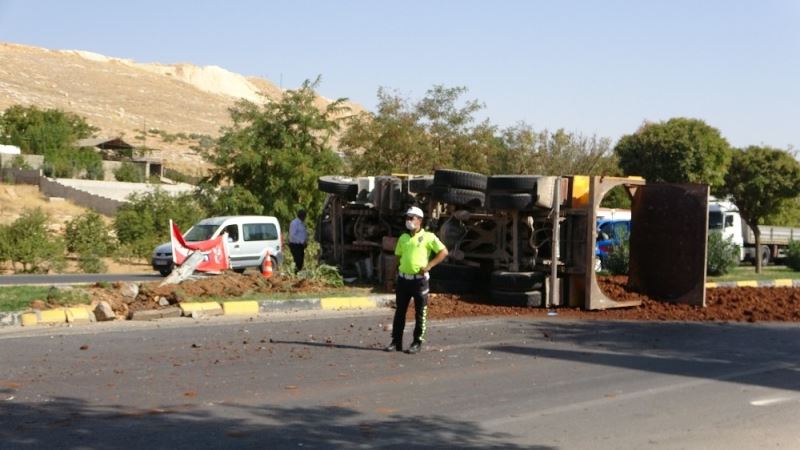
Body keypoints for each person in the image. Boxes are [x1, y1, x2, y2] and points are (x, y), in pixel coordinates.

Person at [385, 206, 448, 354]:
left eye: (411, 218)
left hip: (419, 281)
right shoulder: (403, 238)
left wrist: (429, 266)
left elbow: (443, 252)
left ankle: (417, 342)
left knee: (420, 312)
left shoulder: (429, 237)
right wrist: (390, 277)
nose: (408, 221)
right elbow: (397, 258)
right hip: (403, 280)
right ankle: (396, 342)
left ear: (420, 220)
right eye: (407, 218)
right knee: (399, 312)